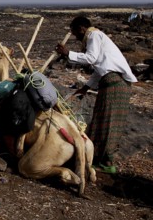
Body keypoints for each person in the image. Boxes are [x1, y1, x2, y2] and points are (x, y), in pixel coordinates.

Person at [55, 16, 137, 174]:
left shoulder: (94, 36)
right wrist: (85, 88)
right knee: (100, 119)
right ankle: (95, 158)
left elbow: (91, 59)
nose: (76, 37)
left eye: (75, 33)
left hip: (115, 85)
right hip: (111, 84)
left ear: (81, 29)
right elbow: (101, 68)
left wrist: (68, 53)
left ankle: (106, 162)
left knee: (108, 121)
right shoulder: (96, 38)